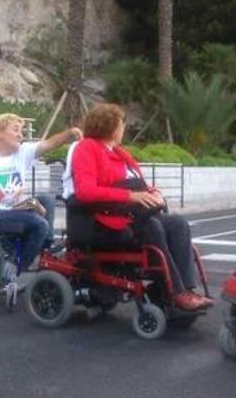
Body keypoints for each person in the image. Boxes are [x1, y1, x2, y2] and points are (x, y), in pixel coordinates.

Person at [70, 103, 212, 312]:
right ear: (111, 127)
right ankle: (176, 292)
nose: (123, 129)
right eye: (122, 124)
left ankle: (188, 288)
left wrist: (154, 193)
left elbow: (140, 184)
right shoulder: (87, 148)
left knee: (178, 223)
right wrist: (130, 196)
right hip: (107, 218)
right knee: (153, 226)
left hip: (132, 214)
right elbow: (85, 191)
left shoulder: (121, 153)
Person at [0, 114, 81, 273]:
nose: (20, 135)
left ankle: (44, 248)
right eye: (15, 130)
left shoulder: (21, 152)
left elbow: (48, 144)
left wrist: (69, 134)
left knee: (46, 200)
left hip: (12, 208)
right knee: (40, 224)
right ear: (0, 132)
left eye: (22, 131)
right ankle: (14, 267)